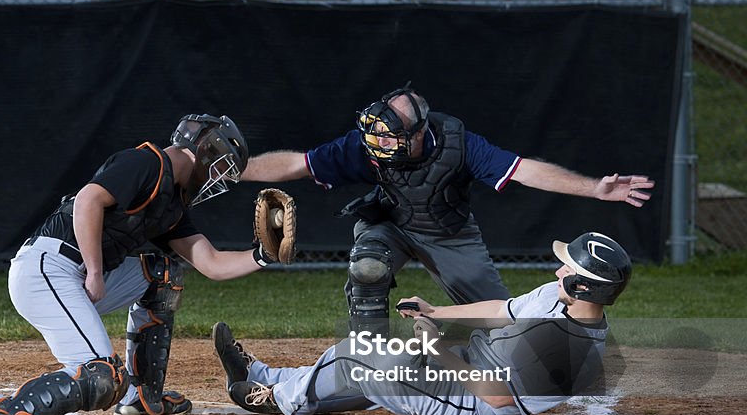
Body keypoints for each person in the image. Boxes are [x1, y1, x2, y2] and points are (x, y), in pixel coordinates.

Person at [0, 114, 284, 415]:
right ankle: (5, 410)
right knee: (103, 376)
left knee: (163, 276)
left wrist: (264, 255)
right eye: (220, 167)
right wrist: (96, 271)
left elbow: (211, 262)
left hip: (76, 275)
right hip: (48, 270)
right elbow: (88, 199)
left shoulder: (172, 203)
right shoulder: (148, 163)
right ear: (203, 152)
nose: (218, 179)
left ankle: (141, 399)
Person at [243, 84, 652, 335]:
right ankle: (369, 355)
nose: (379, 146)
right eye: (375, 137)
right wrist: (235, 171)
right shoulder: (366, 144)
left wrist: (595, 188)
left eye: (391, 138)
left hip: (449, 234)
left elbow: (524, 170)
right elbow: (299, 163)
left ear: (420, 133)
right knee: (367, 266)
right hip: (392, 224)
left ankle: (556, 351)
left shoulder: (459, 144)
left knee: (503, 326)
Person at [213, 231, 630, 415]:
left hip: (470, 406)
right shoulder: (560, 298)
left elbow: (499, 397)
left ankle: (277, 399)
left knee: (360, 354)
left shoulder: (570, 351)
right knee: (376, 367)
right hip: (466, 370)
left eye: (568, 269)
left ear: (582, 286)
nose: (558, 270)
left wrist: (437, 349)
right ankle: (267, 376)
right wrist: (438, 310)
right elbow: (502, 309)